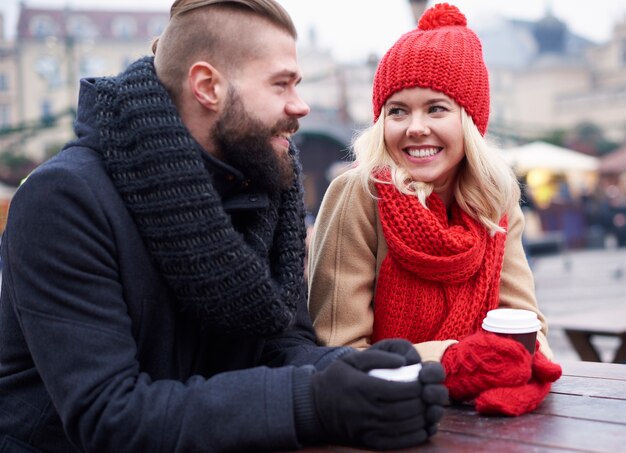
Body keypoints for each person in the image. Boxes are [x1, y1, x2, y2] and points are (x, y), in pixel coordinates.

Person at [0, 1, 448, 451]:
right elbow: (109, 416)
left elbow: (279, 346)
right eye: (281, 84)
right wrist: (316, 401)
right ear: (207, 86)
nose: (301, 105)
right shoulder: (62, 200)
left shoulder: (262, 180)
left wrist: (356, 372)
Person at [308, 3, 561, 417]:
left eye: (436, 108)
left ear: (469, 121)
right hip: (383, 418)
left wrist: (526, 352)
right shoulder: (359, 193)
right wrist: (458, 359)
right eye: (397, 111)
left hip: (482, 419)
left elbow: (526, 326)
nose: (415, 127)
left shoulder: (496, 204)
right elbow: (339, 352)